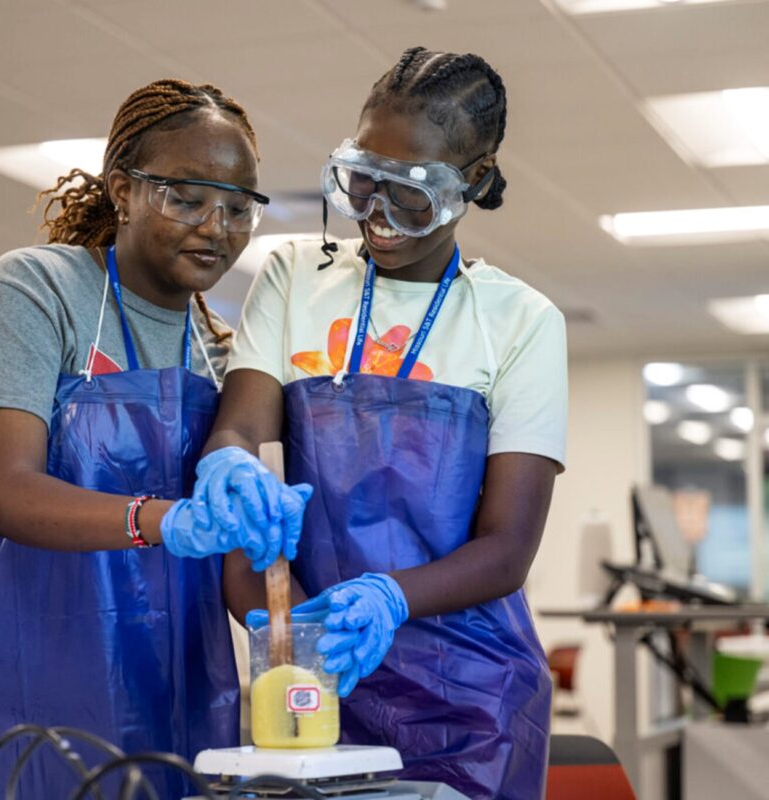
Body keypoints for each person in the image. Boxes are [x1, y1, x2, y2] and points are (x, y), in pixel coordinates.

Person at [0, 79, 310, 799]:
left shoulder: (220, 351)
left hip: (166, 699)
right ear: (123, 189)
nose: (217, 226)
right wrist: (168, 518)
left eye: (239, 207)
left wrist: (308, 629)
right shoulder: (36, 291)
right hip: (3, 696)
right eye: (187, 197)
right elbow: (12, 495)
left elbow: (239, 568)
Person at [205, 48, 567, 800]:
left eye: (412, 194)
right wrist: (232, 471)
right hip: (314, 680)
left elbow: (506, 549)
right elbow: (240, 431)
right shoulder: (294, 275)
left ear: (474, 181)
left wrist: (388, 598)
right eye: (363, 177)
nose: (376, 212)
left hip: (470, 698)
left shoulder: (521, 320)